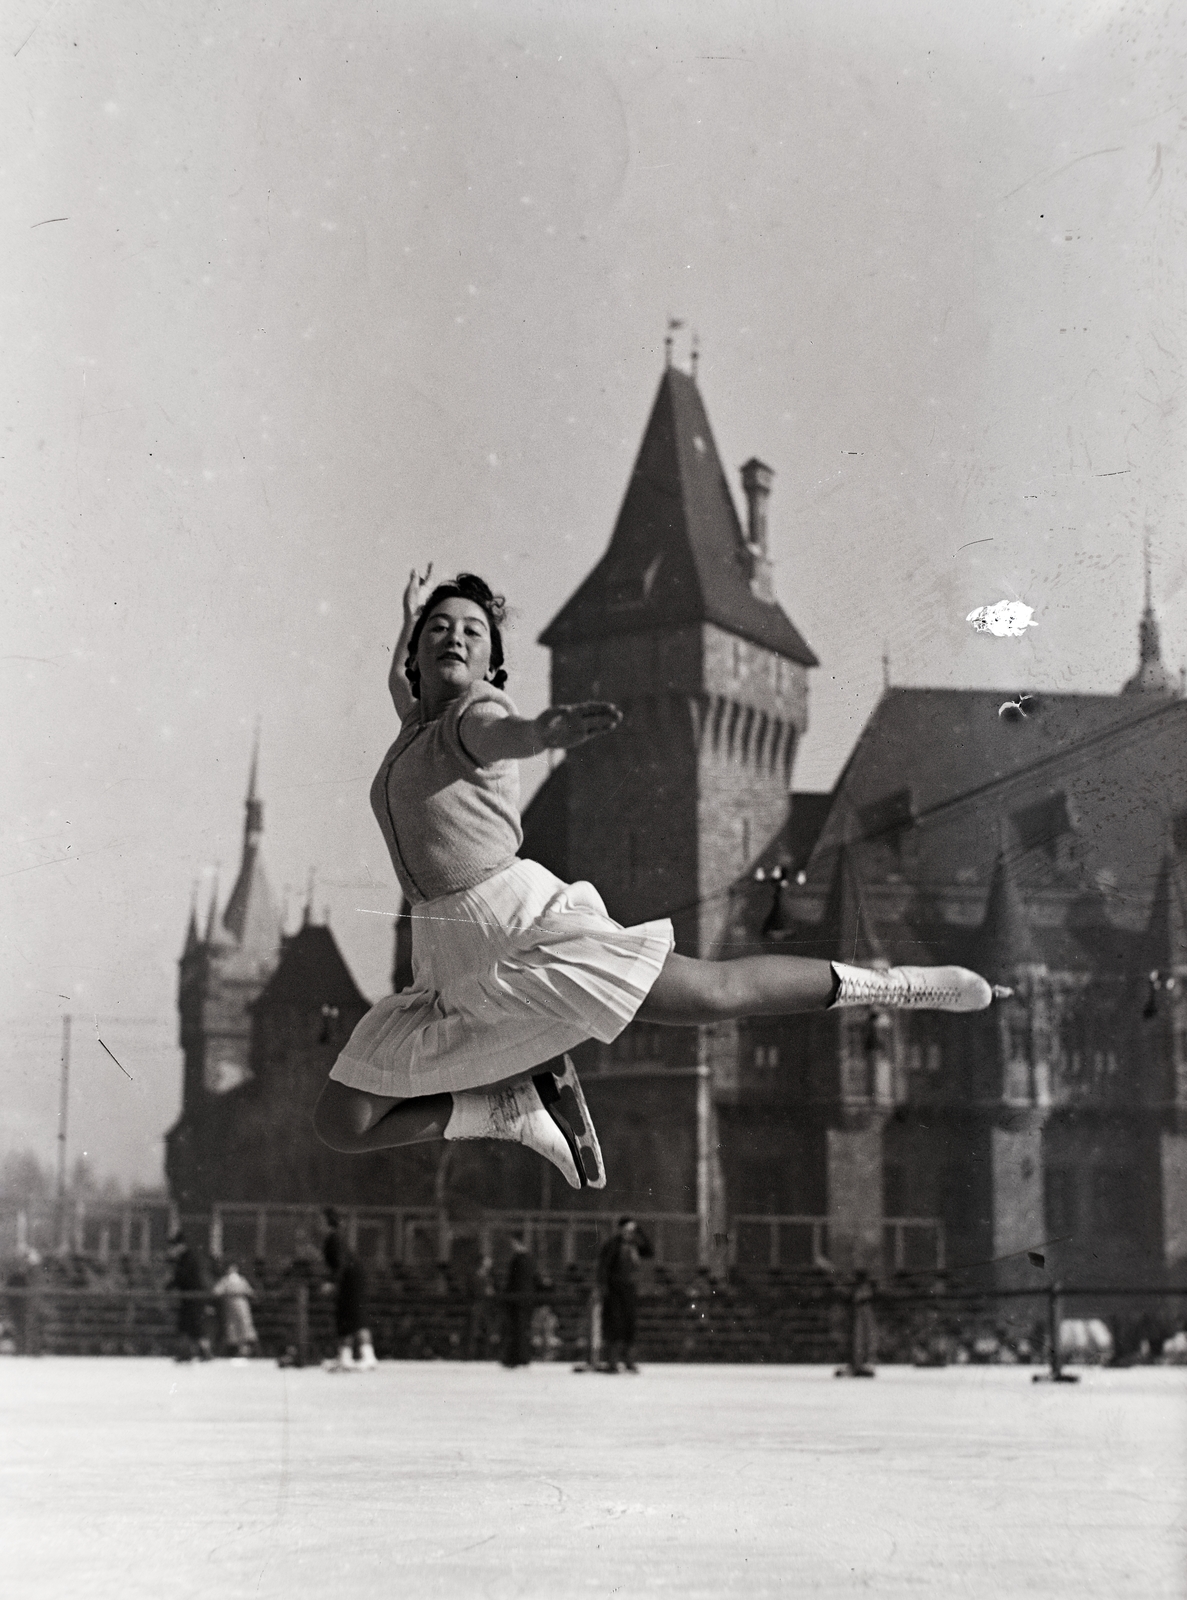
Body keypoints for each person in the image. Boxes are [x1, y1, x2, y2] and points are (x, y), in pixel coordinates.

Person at [313, 568, 1002, 1192]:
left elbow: (508, 733)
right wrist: (408, 617)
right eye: (439, 629)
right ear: (416, 651)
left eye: (472, 631)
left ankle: (900, 983)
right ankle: (501, 1108)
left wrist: (547, 729)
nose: (453, 638)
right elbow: (402, 688)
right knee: (343, 1121)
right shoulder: (414, 723)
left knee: (714, 992)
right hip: (446, 952)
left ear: (493, 661)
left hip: (512, 922)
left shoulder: (474, 716)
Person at [321, 1208, 377, 1371]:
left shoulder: (335, 1238)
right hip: (347, 1280)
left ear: (327, 1220)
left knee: (356, 1317)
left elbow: (341, 1263)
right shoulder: (333, 1238)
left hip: (352, 1280)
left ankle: (369, 1357)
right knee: (344, 1317)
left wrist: (332, 1282)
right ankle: (345, 1357)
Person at [597, 1217, 654, 1373]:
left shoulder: (634, 1245)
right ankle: (612, 1361)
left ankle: (628, 1360)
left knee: (629, 1324)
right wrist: (603, 1287)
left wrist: (640, 1231)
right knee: (614, 1325)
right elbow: (603, 1267)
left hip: (629, 1289)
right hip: (614, 1290)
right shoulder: (613, 1245)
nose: (629, 1233)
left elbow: (649, 1251)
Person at [167, 1231, 211, 1362]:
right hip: (190, 1298)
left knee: (193, 1326)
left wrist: (169, 1285)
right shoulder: (187, 1257)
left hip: (193, 1298)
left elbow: (181, 1277)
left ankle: (197, 1352)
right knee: (190, 1326)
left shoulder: (187, 1258)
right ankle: (194, 1352)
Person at [500, 1237, 538, 1369]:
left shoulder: (518, 1260)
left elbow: (513, 1281)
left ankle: (517, 1357)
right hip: (526, 1300)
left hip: (517, 1300)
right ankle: (521, 1356)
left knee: (517, 1329)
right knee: (522, 1329)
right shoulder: (530, 1260)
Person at [211, 1261, 258, 1360]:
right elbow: (216, 1292)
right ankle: (237, 1350)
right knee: (234, 1327)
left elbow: (250, 1292)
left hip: (241, 1305)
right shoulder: (226, 1280)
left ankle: (244, 1350)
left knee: (243, 1325)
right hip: (231, 1305)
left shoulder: (240, 1280)